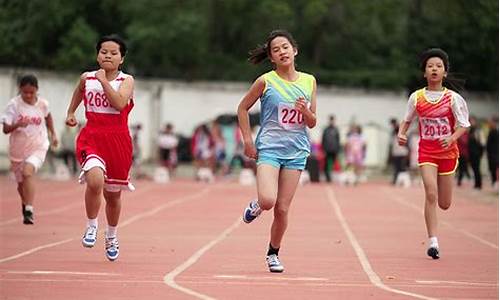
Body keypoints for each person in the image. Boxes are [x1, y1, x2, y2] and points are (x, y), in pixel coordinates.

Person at [238, 29, 317, 273]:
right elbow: (242, 109)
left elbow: (313, 122)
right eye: (276, 49)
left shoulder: (309, 81)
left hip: (296, 151)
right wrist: (248, 142)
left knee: (282, 209)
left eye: (285, 47)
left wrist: (305, 112)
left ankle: (273, 253)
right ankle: (257, 205)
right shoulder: (266, 81)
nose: (282, 52)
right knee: (268, 201)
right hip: (269, 148)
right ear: (271, 57)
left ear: (295, 50)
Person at [65, 34, 134, 261]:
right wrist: (71, 112)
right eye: (104, 51)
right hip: (92, 137)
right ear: (97, 54)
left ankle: (111, 235)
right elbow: (78, 91)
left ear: (121, 58)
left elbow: (120, 103)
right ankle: (91, 225)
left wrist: (104, 80)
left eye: (114, 53)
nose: (108, 56)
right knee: (95, 180)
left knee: (112, 197)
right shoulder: (87, 78)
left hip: (117, 141)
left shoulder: (126, 80)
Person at [398, 48, 470, 259]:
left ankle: (436, 230)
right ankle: (433, 242)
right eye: (430, 66)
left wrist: (452, 137)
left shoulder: (453, 99)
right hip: (427, 152)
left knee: (444, 204)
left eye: (439, 66)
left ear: (445, 72)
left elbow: (464, 125)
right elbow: (407, 120)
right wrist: (401, 134)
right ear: (425, 73)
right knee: (430, 192)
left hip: (448, 153)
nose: (434, 69)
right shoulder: (416, 97)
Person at [1, 74, 58, 224]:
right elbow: (6, 129)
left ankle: (29, 209)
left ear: (36, 90)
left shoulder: (42, 104)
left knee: (28, 172)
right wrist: (18, 124)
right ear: (20, 90)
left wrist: (53, 135)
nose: (28, 95)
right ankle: (25, 204)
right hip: (18, 150)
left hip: (38, 146)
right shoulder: (14, 105)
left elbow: (48, 117)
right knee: (21, 185)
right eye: (25, 92)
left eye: (31, 92)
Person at [321, 115, 340, 182]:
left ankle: (333, 176)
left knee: (334, 164)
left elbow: (338, 140)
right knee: (326, 164)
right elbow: (323, 140)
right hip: (327, 149)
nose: (331, 121)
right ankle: (327, 177)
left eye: (333, 120)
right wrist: (323, 149)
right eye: (330, 120)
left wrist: (338, 149)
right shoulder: (326, 130)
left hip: (334, 150)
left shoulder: (336, 130)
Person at [468, 116, 484, 189]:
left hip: (477, 153)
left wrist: (480, 154)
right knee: (474, 169)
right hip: (471, 153)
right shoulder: (470, 130)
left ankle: (479, 184)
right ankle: (476, 184)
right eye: (470, 121)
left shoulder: (478, 131)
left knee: (477, 169)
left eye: (472, 121)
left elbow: (482, 143)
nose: (471, 122)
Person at [486, 115, 498, 187]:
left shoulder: (495, 132)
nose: (489, 124)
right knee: (491, 169)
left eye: (490, 122)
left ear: (494, 123)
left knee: (494, 169)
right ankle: (494, 183)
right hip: (490, 154)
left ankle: (495, 183)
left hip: (495, 155)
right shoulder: (491, 131)